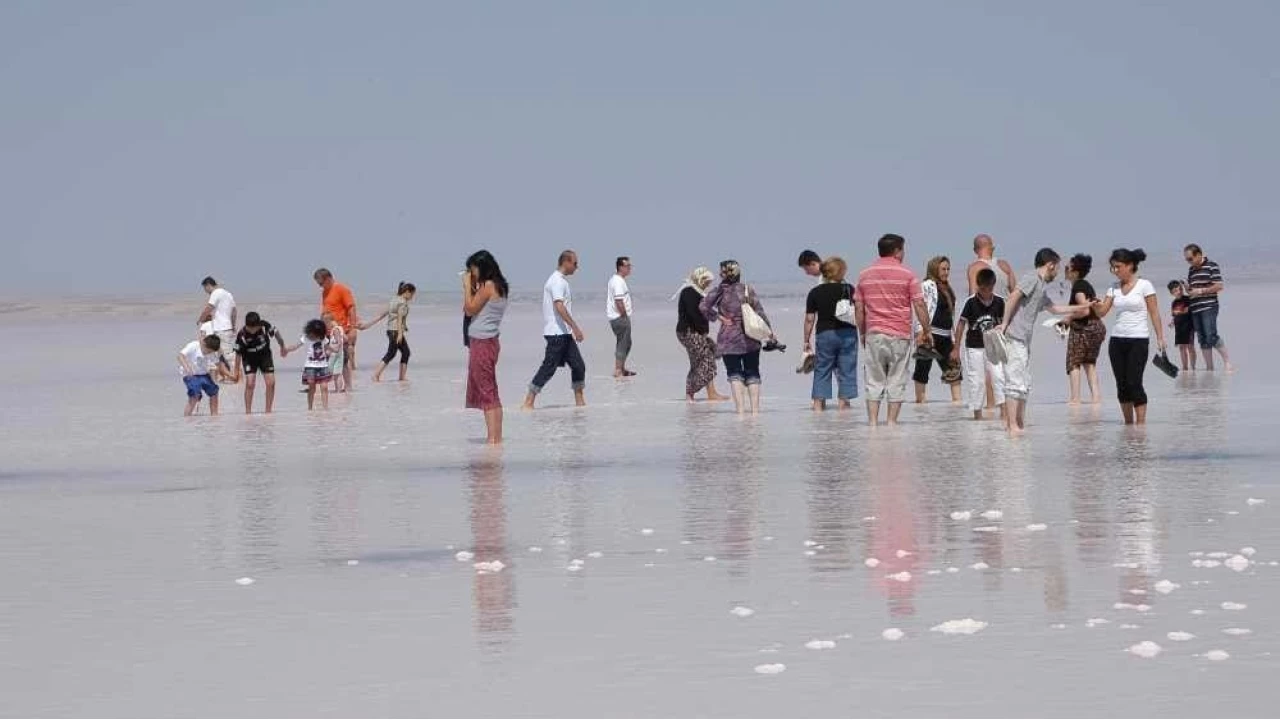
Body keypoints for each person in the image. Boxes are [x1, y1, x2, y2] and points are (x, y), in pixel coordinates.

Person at [996, 248, 1081, 436]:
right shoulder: (1032, 278)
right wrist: (1003, 324)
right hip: (1015, 336)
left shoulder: (1041, 285)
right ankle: (1011, 426)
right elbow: (1013, 297)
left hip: (1024, 339)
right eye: (1057, 267)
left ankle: (1018, 422)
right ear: (1050, 264)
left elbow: (1055, 308)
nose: (1058, 272)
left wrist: (1083, 306)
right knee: (1015, 381)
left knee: (1024, 383)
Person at [854, 234, 933, 426]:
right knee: (896, 379)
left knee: (874, 379)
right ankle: (891, 423)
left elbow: (858, 307)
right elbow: (919, 304)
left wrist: (862, 332)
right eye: (903, 250)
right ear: (897, 251)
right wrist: (927, 329)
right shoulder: (908, 274)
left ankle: (872, 423)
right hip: (900, 334)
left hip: (874, 333)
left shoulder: (864, 274)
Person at [1091, 249, 1166, 425]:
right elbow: (1102, 312)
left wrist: (1160, 337)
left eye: (1118, 267)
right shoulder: (1113, 287)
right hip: (1116, 340)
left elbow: (1154, 313)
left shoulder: (1144, 285)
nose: (1115, 271)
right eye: (1113, 268)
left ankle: (1140, 426)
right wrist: (1095, 305)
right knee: (1122, 385)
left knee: (1134, 382)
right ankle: (1128, 425)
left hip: (1138, 340)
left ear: (1130, 265)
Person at [701, 260, 777, 415]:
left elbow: (703, 306)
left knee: (734, 374)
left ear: (723, 274)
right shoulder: (747, 289)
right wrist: (770, 333)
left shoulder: (719, 291)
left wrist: (718, 317)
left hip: (728, 339)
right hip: (751, 338)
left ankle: (740, 411)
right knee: (753, 372)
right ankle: (755, 412)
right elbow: (760, 313)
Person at [523, 251, 587, 410]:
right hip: (556, 334)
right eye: (575, 263)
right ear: (566, 262)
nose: (577, 267)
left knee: (578, 366)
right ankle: (528, 401)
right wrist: (575, 327)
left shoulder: (560, 281)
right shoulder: (556, 281)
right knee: (549, 368)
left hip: (564, 333)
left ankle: (580, 402)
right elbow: (559, 306)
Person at [463, 250, 510, 444]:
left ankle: (493, 439)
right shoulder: (499, 285)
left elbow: (469, 308)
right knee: (490, 390)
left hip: (482, 343)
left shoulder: (488, 286)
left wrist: (466, 287)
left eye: (472, 269)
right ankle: (495, 437)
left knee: (487, 391)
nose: (471, 273)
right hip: (489, 341)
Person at [803, 256, 858, 411]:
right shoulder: (849, 289)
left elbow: (809, 318)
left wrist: (806, 340)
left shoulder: (815, 292)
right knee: (846, 369)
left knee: (822, 368)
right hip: (847, 332)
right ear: (840, 272)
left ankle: (818, 405)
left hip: (825, 333)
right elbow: (858, 311)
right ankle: (843, 406)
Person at [951, 268, 1006, 420]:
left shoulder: (1000, 302)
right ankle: (977, 415)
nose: (986, 291)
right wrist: (956, 348)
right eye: (983, 288)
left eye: (989, 288)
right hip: (974, 347)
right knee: (977, 379)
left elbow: (1007, 323)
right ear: (978, 286)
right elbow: (961, 325)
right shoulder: (970, 302)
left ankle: (1004, 412)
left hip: (994, 347)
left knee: (999, 376)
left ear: (993, 285)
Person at [674, 266, 728, 403]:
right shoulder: (689, 292)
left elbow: (706, 311)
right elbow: (694, 314)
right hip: (689, 333)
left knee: (698, 362)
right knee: (707, 361)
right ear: (700, 279)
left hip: (693, 332)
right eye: (707, 281)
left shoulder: (696, 292)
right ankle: (691, 392)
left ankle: (710, 393)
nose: (708, 284)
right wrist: (703, 330)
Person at [912, 256, 962, 404]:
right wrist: (921, 331)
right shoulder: (927, 285)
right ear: (934, 269)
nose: (946, 272)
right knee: (922, 370)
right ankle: (920, 405)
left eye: (948, 269)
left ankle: (957, 405)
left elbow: (950, 315)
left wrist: (953, 337)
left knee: (954, 371)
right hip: (930, 334)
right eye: (943, 269)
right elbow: (921, 308)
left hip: (946, 336)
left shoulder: (947, 288)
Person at [1061, 254, 1106, 405]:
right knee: (1089, 363)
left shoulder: (1079, 286)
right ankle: (1096, 397)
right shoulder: (1087, 285)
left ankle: (1075, 398)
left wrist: (1069, 318)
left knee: (1074, 362)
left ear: (1075, 271)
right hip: (1097, 326)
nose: (1065, 270)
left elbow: (1084, 310)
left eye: (1067, 268)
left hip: (1083, 328)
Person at [1184, 244, 1234, 372]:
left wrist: (1200, 291)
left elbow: (1219, 286)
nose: (1189, 262)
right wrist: (1188, 289)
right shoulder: (1191, 270)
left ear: (1199, 254)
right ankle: (1209, 368)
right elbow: (1192, 290)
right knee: (1202, 338)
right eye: (1186, 260)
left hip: (1209, 306)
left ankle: (1227, 362)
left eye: (1190, 259)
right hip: (1195, 308)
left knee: (1211, 335)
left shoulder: (1212, 265)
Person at [360, 282, 416, 383]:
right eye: (412, 294)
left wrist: (367, 325)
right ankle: (376, 375)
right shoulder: (402, 303)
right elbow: (399, 318)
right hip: (396, 331)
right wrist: (400, 333)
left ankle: (401, 377)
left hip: (390, 330)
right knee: (392, 353)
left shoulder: (394, 300)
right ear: (407, 292)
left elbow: (381, 315)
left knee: (405, 352)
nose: (412, 297)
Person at [313, 268, 359, 390]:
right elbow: (325, 311)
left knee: (343, 360)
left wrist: (353, 329)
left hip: (340, 330)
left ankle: (348, 387)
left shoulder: (341, 289)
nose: (320, 286)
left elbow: (351, 308)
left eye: (321, 283)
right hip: (327, 332)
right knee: (328, 359)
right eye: (318, 284)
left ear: (328, 279)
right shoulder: (325, 292)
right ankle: (332, 386)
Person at [233, 311, 286, 414]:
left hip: (264, 356)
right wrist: (236, 372)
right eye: (249, 328)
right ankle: (248, 412)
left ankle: (268, 411)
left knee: (271, 382)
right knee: (250, 384)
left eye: (254, 328)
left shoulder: (265, 326)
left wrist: (282, 346)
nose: (252, 331)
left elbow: (276, 334)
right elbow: (238, 354)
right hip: (249, 359)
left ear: (258, 325)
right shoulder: (241, 335)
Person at [283, 319, 333, 411]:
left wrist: (331, 351)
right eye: (313, 334)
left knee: (324, 387)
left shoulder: (324, 339)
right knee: (311, 387)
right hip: (310, 367)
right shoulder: (306, 338)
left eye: (317, 335)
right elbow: (295, 346)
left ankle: (325, 408)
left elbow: (327, 348)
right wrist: (287, 349)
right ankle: (310, 407)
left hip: (323, 366)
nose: (315, 337)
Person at [178, 334, 225, 416]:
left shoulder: (211, 351)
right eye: (208, 351)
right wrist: (187, 369)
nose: (209, 353)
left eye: (211, 352)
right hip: (190, 375)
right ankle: (187, 418)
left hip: (204, 374)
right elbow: (180, 356)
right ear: (204, 344)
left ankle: (214, 416)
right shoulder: (193, 346)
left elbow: (218, 364)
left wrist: (224, 374)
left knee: (214, 392)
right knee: (195, 395)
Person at [198, 277, 237, 374]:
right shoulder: (228, 294)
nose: (206, 292)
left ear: (208, 285)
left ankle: (237, 376)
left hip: (221, 328)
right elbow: (234, 311)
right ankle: (228, 375)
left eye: (205, 289)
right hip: (226, 328)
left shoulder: (216, 293)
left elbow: (209, 308)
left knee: (227, 354)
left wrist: (200, 319)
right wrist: (233, 325)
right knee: (221, 353)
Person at [607, 256, 636, 378]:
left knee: (626, 343)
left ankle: (621, 368)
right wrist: (624, 315)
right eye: (627, 266)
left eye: (630, 266)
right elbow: (619, 301)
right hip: (619, 318)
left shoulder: (617, 280)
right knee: (623, 343)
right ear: (620, 267)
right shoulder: (618, 281)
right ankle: (618, 370)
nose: (630, 268)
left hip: (618, 317)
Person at [1168, 280, 1196, 372]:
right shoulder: (1173, 303)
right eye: (1175, 291)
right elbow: (1174, 315)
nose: (1178, 292)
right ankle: (1185, 367)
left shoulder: (1187, 299)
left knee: (1190, 347)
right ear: (1172, 293)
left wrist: (1178, 312)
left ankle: (1193, 367)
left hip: (1189, 327)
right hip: (1179, 328)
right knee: (1181, 348)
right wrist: (1172, 322)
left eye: (1180, 289)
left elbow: (1187, 310)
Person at [322, 312, 347, 393]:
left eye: (325, 324)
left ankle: (325, 389)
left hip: (335, 354)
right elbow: (346, 339)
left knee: (328, 370)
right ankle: (338, 390)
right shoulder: (340, 328)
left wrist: (332, 350)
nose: (326, 327)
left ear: (328, 321)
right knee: (338, 373)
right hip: (341, 353)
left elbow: (339, 342)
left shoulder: (335, 330)